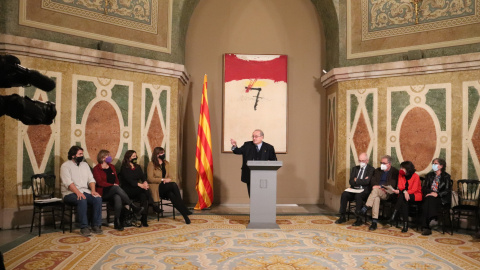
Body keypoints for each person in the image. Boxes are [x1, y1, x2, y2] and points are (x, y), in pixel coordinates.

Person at [92, 150, 143, 231]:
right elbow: (99, 182)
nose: (110, 157)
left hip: (114, 191)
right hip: (103, 192)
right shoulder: (96, 169)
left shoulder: (112, 166)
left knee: (117, 197)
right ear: (102, 158)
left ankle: (117, 221)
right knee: (116, 188)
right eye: (108, 156)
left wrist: (115, 185)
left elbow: (116, 180)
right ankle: (133, 206)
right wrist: (112, 185)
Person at [60, 146, 103, 237]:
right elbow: (68, 183)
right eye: (80, 154)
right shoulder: (65, 166)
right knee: (81, 199)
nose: (82, 156)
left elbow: (91, 179)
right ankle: (84, 227)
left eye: (82, 154)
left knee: (97, 198)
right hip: (70, 193)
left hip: (85, 191)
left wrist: (93, 191)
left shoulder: (85, 165)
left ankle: (96, 225)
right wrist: (78, 193)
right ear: (73, 155)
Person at [147, 147, 193, 224]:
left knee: (171, 195)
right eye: (161, 153)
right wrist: (162, 180)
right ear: (157, 154)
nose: (163, 154)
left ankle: (185, 216)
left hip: (166, 187)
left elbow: (170, 176)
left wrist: (168, 179)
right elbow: (150, 178)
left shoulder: (166, 163)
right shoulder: (151, 164)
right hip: (157, 188)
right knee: (174, 185)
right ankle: (183, 207)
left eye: (163, 153)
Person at [120, 150, 162, 227]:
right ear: (128, 157)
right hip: (127, 190)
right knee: (144, 190)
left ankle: (144, 219)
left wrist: (145, 182)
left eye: (135, 156)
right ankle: (153, 205)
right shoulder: (124, 167)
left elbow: (143, 177)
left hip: (138, 189)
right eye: (133, 156)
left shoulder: (138, 167)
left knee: (144, 196)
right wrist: (141, 185)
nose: (135, 158)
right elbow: (129, 180)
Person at [230, 129, 277, 196]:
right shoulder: (247, 145)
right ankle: (254, 206)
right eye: (253, 136)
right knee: (252, 195)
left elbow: (274, 161)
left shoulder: (269, 147)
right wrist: (234, 146)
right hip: (249, 174)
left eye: (256, 136)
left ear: (262, 137)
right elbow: (238, 151)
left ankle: (261, 206)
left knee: (262, 195)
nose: (254, 138)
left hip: (264, 176)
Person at [359, 155, 399, 230]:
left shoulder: (395, 172)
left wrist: (380, 187)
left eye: (384, 163)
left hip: (387, 193)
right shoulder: (377, 170)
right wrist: (378, 187)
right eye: (381, 163)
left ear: (389, 164)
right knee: (376, 197)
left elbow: (392, 184)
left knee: (375, 190)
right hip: (377, 192)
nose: (382, 164)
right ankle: (374, 222)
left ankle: (366, 207)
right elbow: (372, 182)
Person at [335, 152, 375, 226]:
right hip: (354, 189)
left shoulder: (371, 169)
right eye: (360, 160)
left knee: (358, 196)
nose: (361, 162)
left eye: (363, 161)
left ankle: (359, 218)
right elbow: (351, 181)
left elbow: (367, 182)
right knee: (344, 194)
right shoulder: (355, 169)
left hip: (364, 191)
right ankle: (342, 215)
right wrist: (360, 181)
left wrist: (357, 180)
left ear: (367, 160)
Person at [420, 158, 451, 235]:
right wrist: (431, 193)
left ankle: (426, 227)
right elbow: (424, 188)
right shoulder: (429, 175)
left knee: (428, 201)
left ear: (441, 166)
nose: (433, 165)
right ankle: (433, 219)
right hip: (430, 196)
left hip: (440, 198)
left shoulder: (446, 176)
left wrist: (437, 194)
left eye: (436, 163)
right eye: (433, 163)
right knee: (429, 199)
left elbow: (447, 190)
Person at [389, 161, 422, 233]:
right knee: (404, 200)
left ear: (408, 169)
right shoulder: (400, 175)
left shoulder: (416, 176)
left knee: (402, 196)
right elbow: (400, 186)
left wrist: (405, 192)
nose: (401, 169)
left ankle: (394, 214)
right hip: (404, 195)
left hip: (415, 195)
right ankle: (405, 225)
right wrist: (404, 192)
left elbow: (414, 189)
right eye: (401, 167)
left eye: (402, 168)